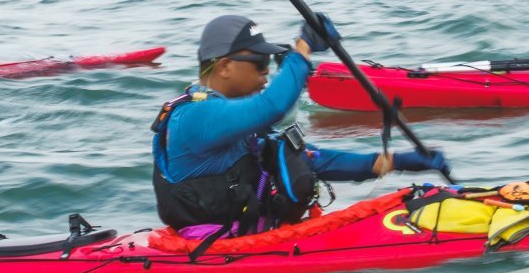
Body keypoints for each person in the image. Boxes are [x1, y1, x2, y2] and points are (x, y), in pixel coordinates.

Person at [151, 13, 446, 239]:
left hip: (258, 236)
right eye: (259, 62)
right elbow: (273, 106)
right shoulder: (196, 116)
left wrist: (395, 162)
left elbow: (309, 159)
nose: (266, 72)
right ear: (224, 66)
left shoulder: (235, 118)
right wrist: (302, 49)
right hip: (216, 245)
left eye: (270, 62)